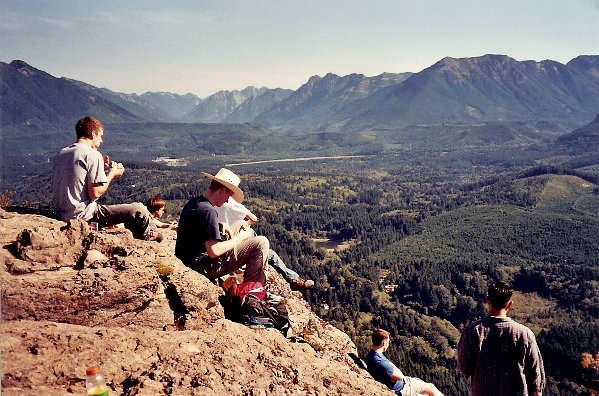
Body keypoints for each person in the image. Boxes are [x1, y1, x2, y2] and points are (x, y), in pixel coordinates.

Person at [51, 116, 158, 241]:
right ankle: (143, 238)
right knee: (139, 209)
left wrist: (100, 167)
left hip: (59, 213)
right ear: (92, 134)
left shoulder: (62, 152)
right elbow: (94, 193)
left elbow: (76, 179)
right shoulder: (92, 154)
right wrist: (112, 174)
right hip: (83, 215)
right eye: (100, 136)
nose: (101, 141)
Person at [175, 168, 268, 285]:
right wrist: (240, 238)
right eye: (228, 196)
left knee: (239, 224)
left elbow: (195, 226)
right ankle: (252, 291)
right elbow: (213, 251)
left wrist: (219, 224)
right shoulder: (209, 211)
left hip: (188, 258)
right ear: (222, 191)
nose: (227, 201)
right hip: (203, 266)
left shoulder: (196, 202)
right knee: (261, 242)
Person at [457, 281, 546, 396]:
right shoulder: (525, 334)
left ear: (487, 300)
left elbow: (464, 368)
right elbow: (536, 379)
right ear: (509, 304)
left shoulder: (473, 331)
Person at [215, 197, 314, 290]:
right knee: (265, 249)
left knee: (267, 251)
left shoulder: (209, 203)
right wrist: (246, 224)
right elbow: (253, 218)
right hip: (230, 245)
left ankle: (293, 279)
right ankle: (293, 280)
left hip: (223, 243)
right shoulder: (230, 202)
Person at [365, 328, 444, 396]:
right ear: (384, 343)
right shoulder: (379, 361)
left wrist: (393, 373)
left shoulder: (374, 355)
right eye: (388, 342)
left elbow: (393, 374)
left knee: (431, 387)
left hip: (405, 382)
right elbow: (399, 376)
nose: (389, 344)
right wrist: (395, 371)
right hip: (402, 389)